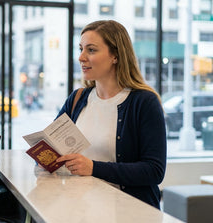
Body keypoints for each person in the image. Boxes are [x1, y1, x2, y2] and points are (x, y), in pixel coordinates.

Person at [55, 20, 166, 209]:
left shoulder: (144, 102)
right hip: (82, 209)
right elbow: (52, 145)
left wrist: (93, 167)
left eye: (91, 50)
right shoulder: (78, 98)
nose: (81, 57)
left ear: (115, 55)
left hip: (128, 213)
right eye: (80, 49)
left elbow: (154, 170)